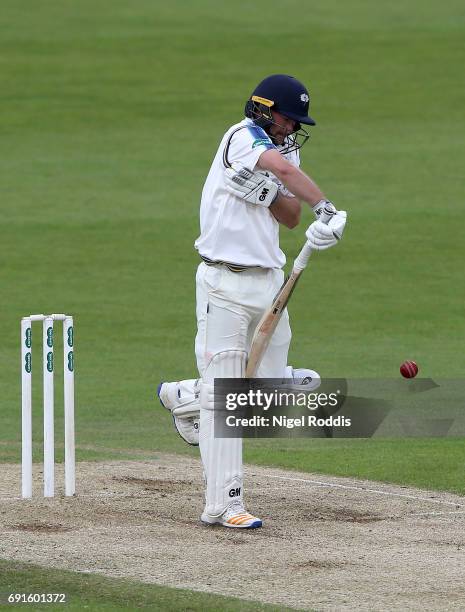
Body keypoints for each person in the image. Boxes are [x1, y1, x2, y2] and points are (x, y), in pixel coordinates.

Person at [158, 74, 347, 529]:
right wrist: (327, 206)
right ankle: (224, 504)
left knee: (273, 390)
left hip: (269, 283)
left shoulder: (287, 150)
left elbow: (289, 215)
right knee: (229, 403)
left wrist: (267, 196)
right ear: (264, 109)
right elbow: (287, 178)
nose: (291, 128)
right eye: (288, 118)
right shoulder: (241, 137)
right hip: (223, 281)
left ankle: (185, 396)